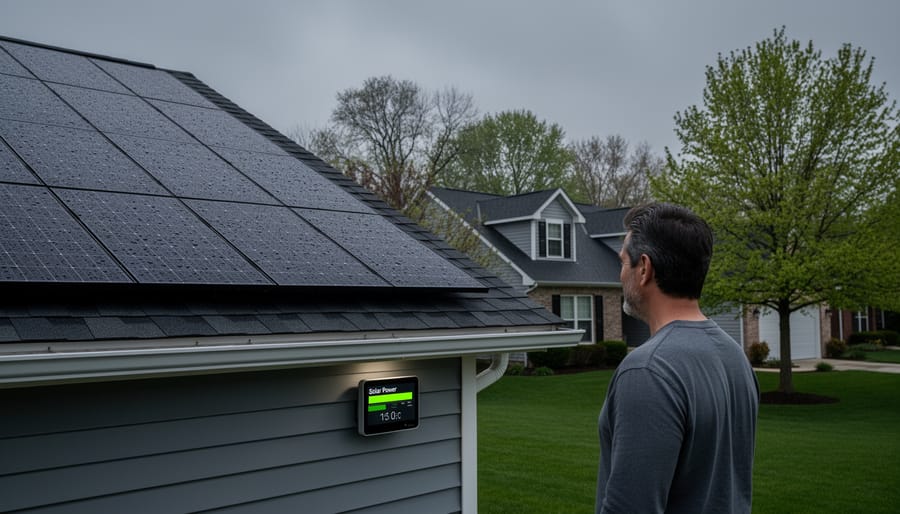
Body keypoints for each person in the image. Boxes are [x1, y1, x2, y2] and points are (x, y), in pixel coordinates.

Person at [596, 202, 759, 514]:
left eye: (623, 263)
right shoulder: (736, 357)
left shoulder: (647, 371)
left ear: (644, 269)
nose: (620, 275)